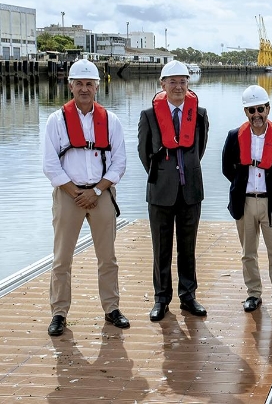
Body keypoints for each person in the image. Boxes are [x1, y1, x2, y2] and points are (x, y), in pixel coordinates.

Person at [42, 59, 129, 336]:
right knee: (62, 258)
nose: (84, 88)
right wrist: (75, 192)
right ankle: (58, 312)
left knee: (108, 257)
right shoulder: (56, 121)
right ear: (70, 86)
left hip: (100, 193)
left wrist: (97, 191)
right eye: (78, 83)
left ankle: (111, 308)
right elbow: (49, 164)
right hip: (69, 194)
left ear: (97, 87)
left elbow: (119, 163)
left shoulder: (111, 121)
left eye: (88, 84)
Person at [138, 60, 210, 322]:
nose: (178, 86)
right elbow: (144, 153)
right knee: (161, 248)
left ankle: (188, 295)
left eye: (183, 81)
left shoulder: (199, 114)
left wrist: (185, 172)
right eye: (173, 81)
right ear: (162, 84)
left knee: (188, 246)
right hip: (160, 191)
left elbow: (198, 150)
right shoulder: (149, 115)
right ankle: (161, 298)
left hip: (190, 189)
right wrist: (164, 176)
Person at [222, 85, 272, 317]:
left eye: (260, 109)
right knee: (248, 252)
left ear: (268, 109)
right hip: (245, 202)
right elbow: (227, 168)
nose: (256, 114)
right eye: (251, 110)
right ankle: (253, 293)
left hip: (271, 202)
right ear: (246, 112)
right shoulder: (234, 136)